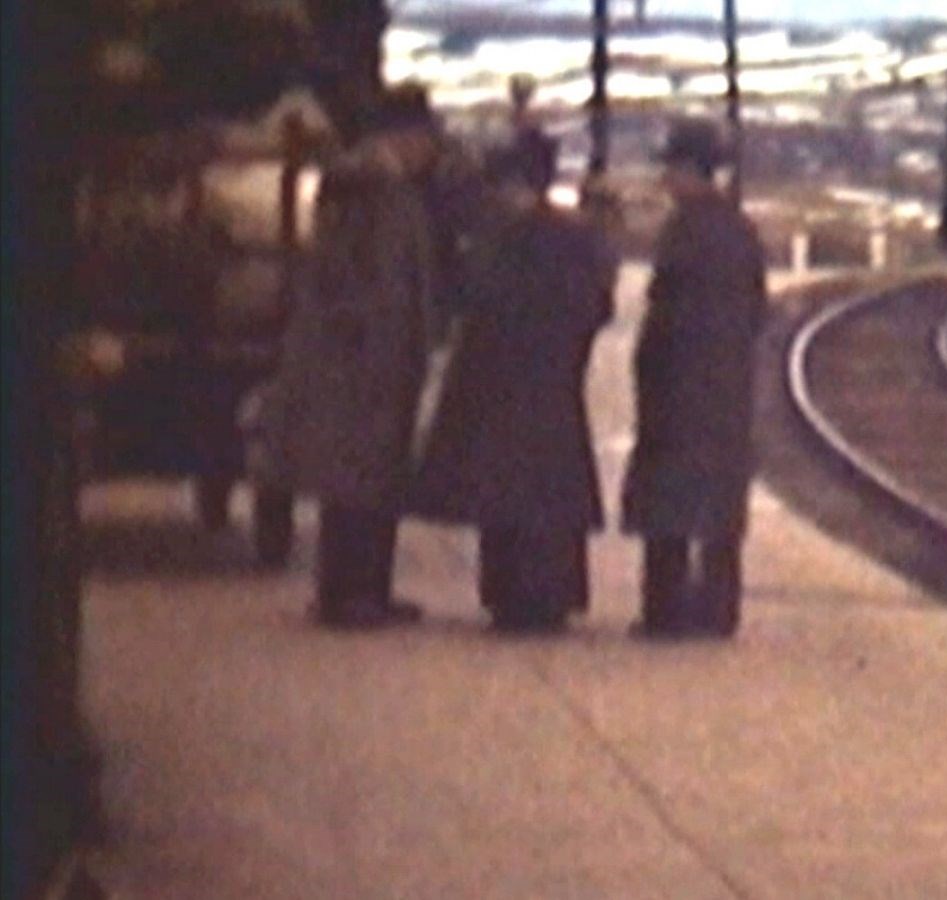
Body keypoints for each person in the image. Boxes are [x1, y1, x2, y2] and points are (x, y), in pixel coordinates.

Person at [410, 127, 617, 633]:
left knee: (505, 499)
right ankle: (546, 595)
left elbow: (472, 296)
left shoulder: (502, 237)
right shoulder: (573, 237)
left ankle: (512, 593)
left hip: (503, 384)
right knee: (547, 499)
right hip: (551, 385)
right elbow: (595, 304)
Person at [262, 91, 443, 629]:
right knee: (359, 478)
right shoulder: (367, 190)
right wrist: (373, 335)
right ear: (405, 138)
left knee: (371, 478)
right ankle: (351, 593)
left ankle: (364, 589)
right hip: (365, 358)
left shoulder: (373, 188)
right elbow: (363, 279)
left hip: (379, 354)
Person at [621, 119, 768, 638]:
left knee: (669, 504)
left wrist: (651, 372)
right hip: (726, 385)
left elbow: (667, 315)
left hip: (678, 386)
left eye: (672, 168)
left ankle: (665, 611)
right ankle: (717, 609)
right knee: (719, 507)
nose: (666, 179)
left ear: (689, 170)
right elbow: (756, 311)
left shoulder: (684, 231)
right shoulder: (740, 229)